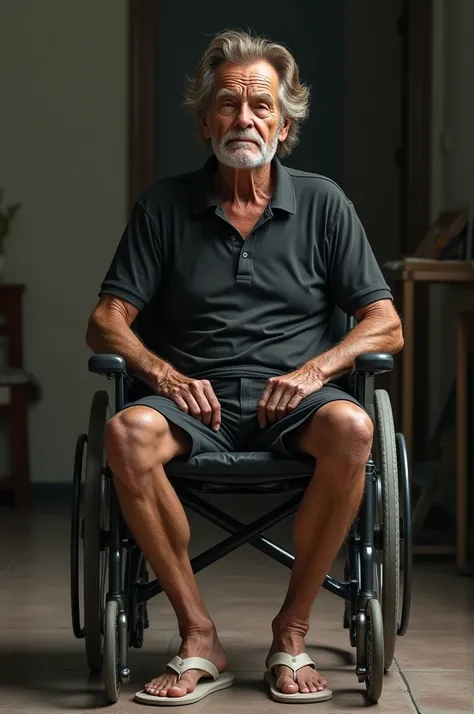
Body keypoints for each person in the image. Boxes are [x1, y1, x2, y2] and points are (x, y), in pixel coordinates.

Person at [86, 28, 403, 707]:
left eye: (261, 105)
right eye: (227, 105)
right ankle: (199, 635)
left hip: (296, 405)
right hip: (191, 404)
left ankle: (291, 631)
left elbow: (386, 323)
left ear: (284, 124)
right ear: (204, 121)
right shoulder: (163, 207)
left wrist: (316, 372)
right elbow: (107, 320)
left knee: (353, 427)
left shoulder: (323, 204)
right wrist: (164, 375)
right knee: (125, 434)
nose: (245, 119)